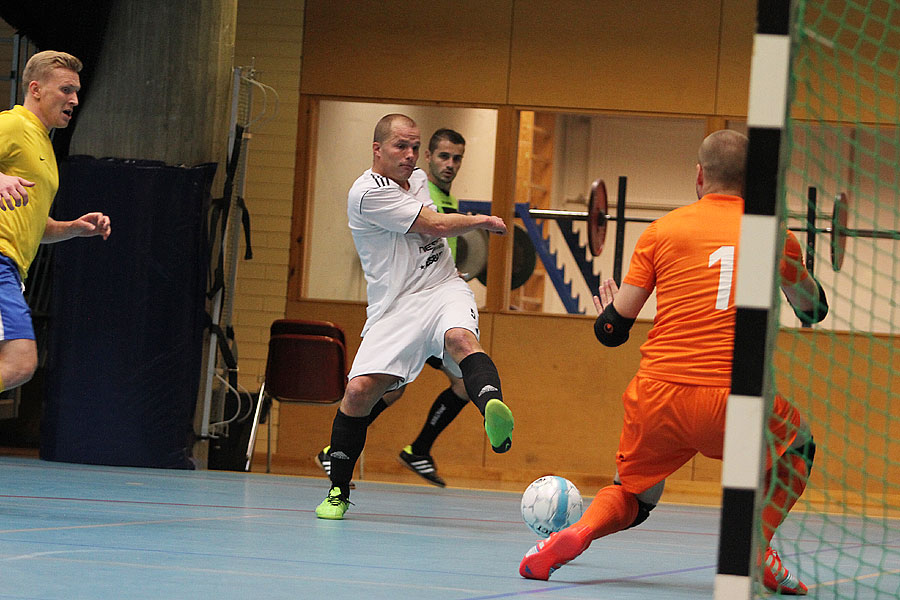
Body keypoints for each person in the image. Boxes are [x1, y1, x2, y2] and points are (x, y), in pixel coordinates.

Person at [518, 130, 827, 596]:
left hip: (660, 391)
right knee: (798, 447)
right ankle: (756, 545)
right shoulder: (775, 235)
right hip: (736, 401)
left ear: (700, 176)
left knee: (633, 496)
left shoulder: (662, 230)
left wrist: (608, 312)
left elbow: (611, 331)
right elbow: (812, 311)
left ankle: (575, 535)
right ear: (754, 182)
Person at [315, 114, 514, 519]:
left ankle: (494, 410)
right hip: (396, 307)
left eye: (413, 147)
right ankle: (338, 491)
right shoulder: (368, 193)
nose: (409, 156)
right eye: (399, 147)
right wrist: (481, 220)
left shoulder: (419, 179)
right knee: (359, 393)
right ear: (377, 149)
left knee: (461, 341)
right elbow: (436, 224)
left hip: (442, 288)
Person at [315, 128, 471, 488]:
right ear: (428, 158)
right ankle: (413, 449)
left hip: (436, 300)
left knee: (396, 387)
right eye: (443, 156)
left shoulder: (441, 196)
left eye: (457, 158)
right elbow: (424, 232)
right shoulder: (415, 190)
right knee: (461, 381)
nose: (450, 164)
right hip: (412, 308)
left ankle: (395, 449)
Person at [0, 50, 112, 394]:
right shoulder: (14, 125)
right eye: (66, 89)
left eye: (76, 91)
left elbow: (33, 225)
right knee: (19, 362)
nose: (74, 99)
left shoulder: (45, 148)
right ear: (36, 89)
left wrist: (73, 228)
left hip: (14, 267)